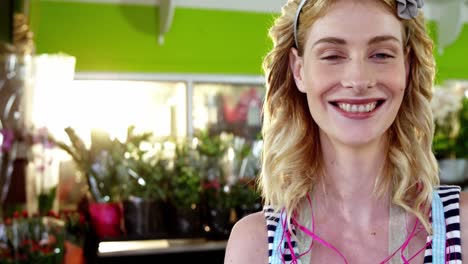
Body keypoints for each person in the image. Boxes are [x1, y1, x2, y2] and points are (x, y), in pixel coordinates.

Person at [224, 0, 468, 263]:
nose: (359, 80)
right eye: (332, 55)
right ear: (299, 70)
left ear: (407, 67)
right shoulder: (254, 245)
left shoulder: (463, 226)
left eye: (381, 54)